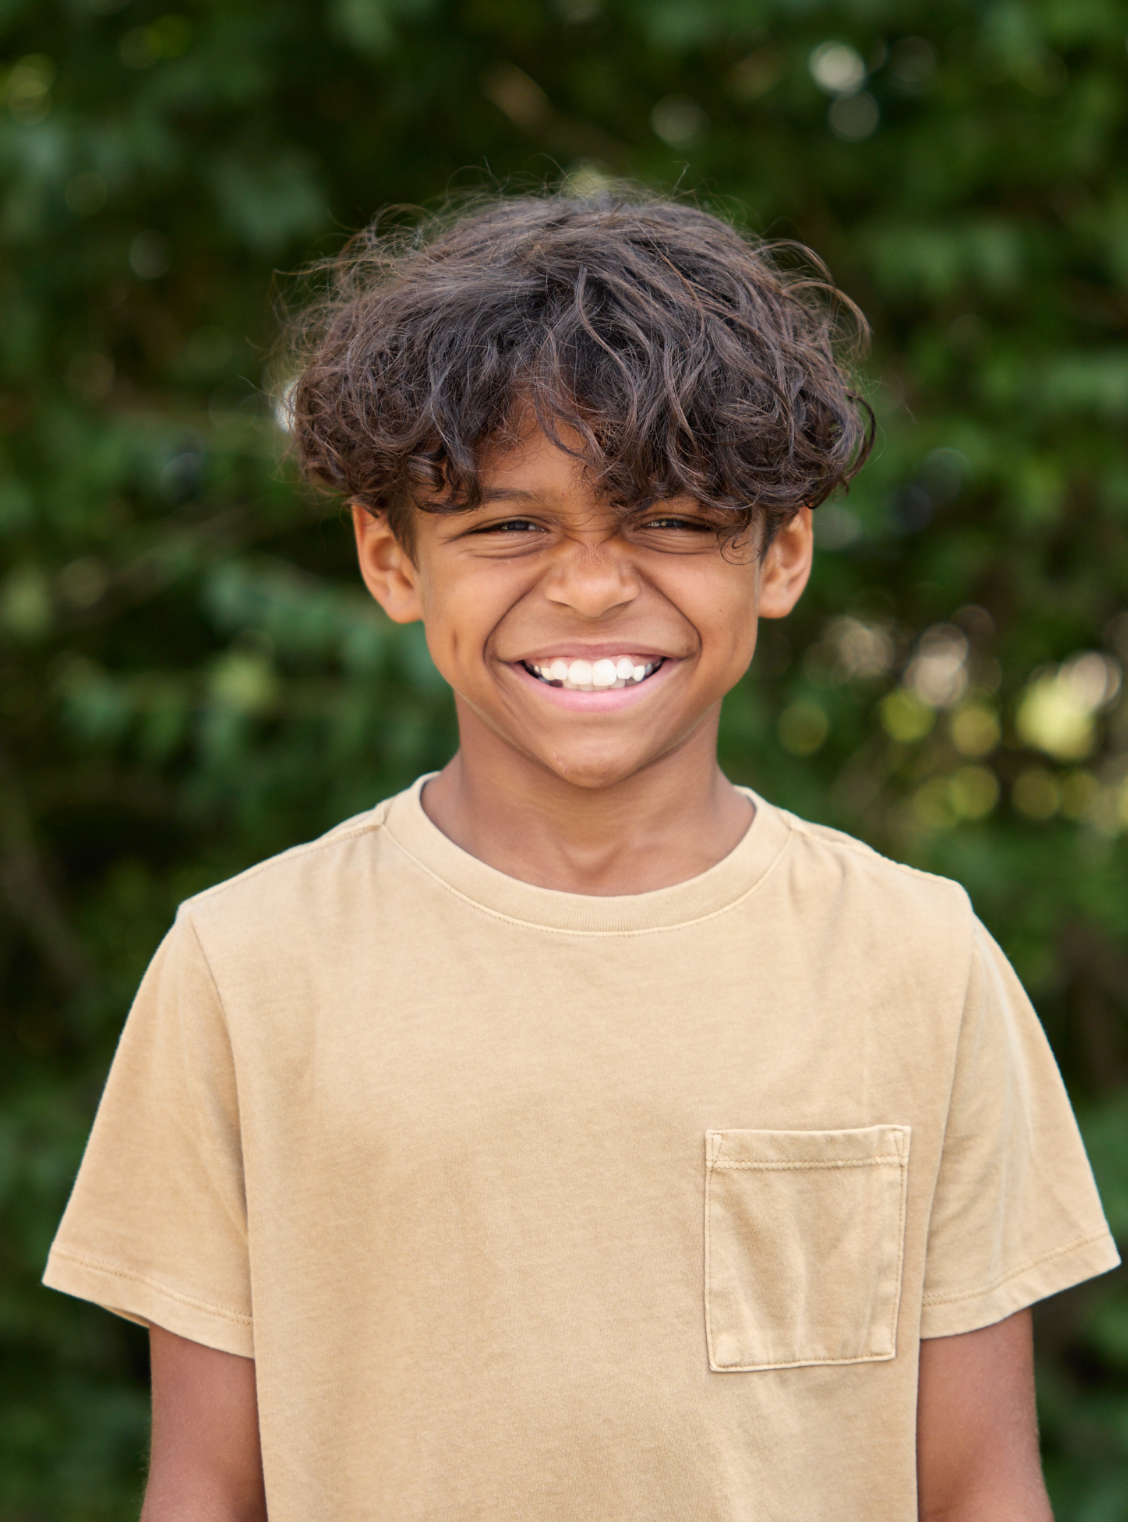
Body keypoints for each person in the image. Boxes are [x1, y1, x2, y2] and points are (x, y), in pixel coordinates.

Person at [45, 192, 1117, 1522]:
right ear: (392, 559)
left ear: (781, 553)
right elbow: (203, 1491)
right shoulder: (245, 966)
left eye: (670, 519)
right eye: (510, 526)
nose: (594, 586)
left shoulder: (921, 961)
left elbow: (981, 1490)